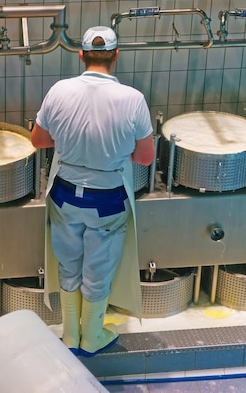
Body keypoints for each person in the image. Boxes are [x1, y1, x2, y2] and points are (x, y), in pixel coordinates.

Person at [31, 26, 155, 357]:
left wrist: (73, 144)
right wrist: (111, 152)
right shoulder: (133, 99)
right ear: (116, 55)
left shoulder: (59, 91)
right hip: (107, 199)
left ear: (81, 54)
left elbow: (39, 140)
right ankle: (92, 336)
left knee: (68, 264)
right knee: (97, 271)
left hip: (64, 195)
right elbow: (145, 157)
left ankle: (70, 334)